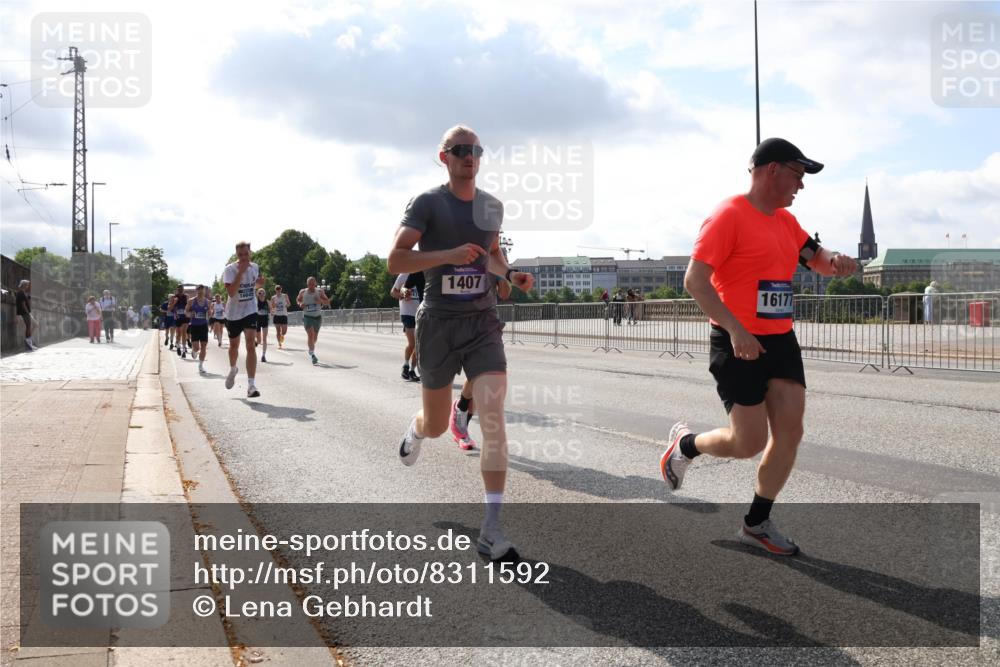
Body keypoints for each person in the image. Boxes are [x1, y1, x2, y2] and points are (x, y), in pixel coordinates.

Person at [659, 137, 857, 556]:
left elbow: (816, 258)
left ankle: (756, 522)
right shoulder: (728, 215)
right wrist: (735, 329)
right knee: (747, 443)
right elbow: (695, 282)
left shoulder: (787, 223)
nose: (800, 186)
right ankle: (685, 446)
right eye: (797, 175)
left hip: (780, 340)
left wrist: (836, 261)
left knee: (790, 432)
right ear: (772, 170)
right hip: (736, 342)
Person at [387, 124, 534, 561]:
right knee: (434, 424)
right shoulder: (428, 203)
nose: (470, 156)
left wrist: (510, 276)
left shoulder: (492, 206)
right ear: (444, 156)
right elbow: (396, 258)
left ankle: (492, 528)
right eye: (460, 150)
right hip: (439, 324)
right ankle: (418, 428)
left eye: (476, 150)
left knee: (493, 417)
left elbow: (492, 256)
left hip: (482, 322)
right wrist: (446, 256)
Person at [449, 278, 513, 451]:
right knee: (434, 422)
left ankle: (461, 424)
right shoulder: (453, 251)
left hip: (486, 326)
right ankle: (459, 410)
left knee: (484, 375)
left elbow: (505, 293)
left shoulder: (497, 255)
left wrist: (502, 274)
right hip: (452, 322)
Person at [223, 241, 266, 398]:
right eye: (240, 255)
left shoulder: (255, 267)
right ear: (236, 255)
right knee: (234, 346)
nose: (243, 258)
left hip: (250, 309)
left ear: (250, 253)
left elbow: (255, 284)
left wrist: (260, 283)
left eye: (246, 254)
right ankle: (233, 369)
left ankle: (251, 385)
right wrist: (240, 273)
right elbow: (232, 293)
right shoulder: (229, 269)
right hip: (233, 313)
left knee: (250, 345)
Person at [390, 271, 424, 381]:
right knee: (413, 343)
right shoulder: (403, 275)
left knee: (418, 345)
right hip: (407, 313)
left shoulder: (422, 272)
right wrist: (402, 294)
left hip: (420, 313)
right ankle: (405, 365)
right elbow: (393, 292)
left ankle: (412, 370)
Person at [296, 277, 330, 364]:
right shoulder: (303, 292)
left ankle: (311, 348)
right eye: (309, 284)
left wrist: (320, 301)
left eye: (312, 284)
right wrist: (300, 304)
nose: (311, 286)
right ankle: (312, 354)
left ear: (315, 284)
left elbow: (327, 302)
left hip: (317, 317)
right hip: (307, 317)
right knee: (310, 335)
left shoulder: (319, 292)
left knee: (314, 337)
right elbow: (298, 300)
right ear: (307, 284)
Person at [186, 285, 212, 373]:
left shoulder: (208, 302)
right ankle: (194, 350)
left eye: (202, 290)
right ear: (196, 291)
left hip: (204, 325)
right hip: (194, 326)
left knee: (204, 346)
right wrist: (190, 314)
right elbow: (186, 312)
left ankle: (200, 366)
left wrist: (210, 313)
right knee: (197, 348)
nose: (201, 292)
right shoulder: (191, 301)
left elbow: (210, 313)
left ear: (204, 291)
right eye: (199, 290)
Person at [15, 280, 37, 351]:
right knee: (29, 326)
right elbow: (23, 304)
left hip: (26, 312)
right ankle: (28, 343)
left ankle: (28, 342)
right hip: (24, 312)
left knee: (34, 325)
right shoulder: (20, 293)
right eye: (27, 285)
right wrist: (28, 313)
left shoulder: (23, 293)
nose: (28, 286)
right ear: (23, 285)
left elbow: (26, 301)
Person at [255, 287, 271, 363]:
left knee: (264, 339)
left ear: (265, 294)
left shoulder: (267, 302)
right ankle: (256, 342)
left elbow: (271, 310)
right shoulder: (255, 302)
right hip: (257, 321)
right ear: (257, 294)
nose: (261, 294)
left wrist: (272, 313)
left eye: (263, 293)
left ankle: (263, 355)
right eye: (260, 293)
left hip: (265, 321)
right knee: (259, 341)